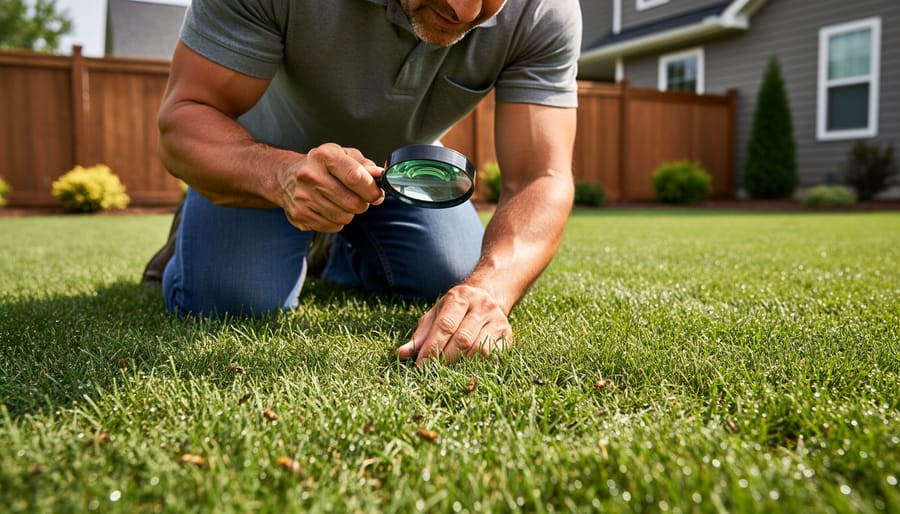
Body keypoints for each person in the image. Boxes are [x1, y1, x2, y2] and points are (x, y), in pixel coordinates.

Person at [146, 0, 581, 367]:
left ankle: (333, 245)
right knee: (232, 301)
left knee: (450, 274)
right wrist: (279, 176)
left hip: (400, 169)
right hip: (261, 160)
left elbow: (541, 176)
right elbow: (184, 119)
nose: (466, 10)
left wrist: (490, 287)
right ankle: (198, 221)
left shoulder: (542, 9)